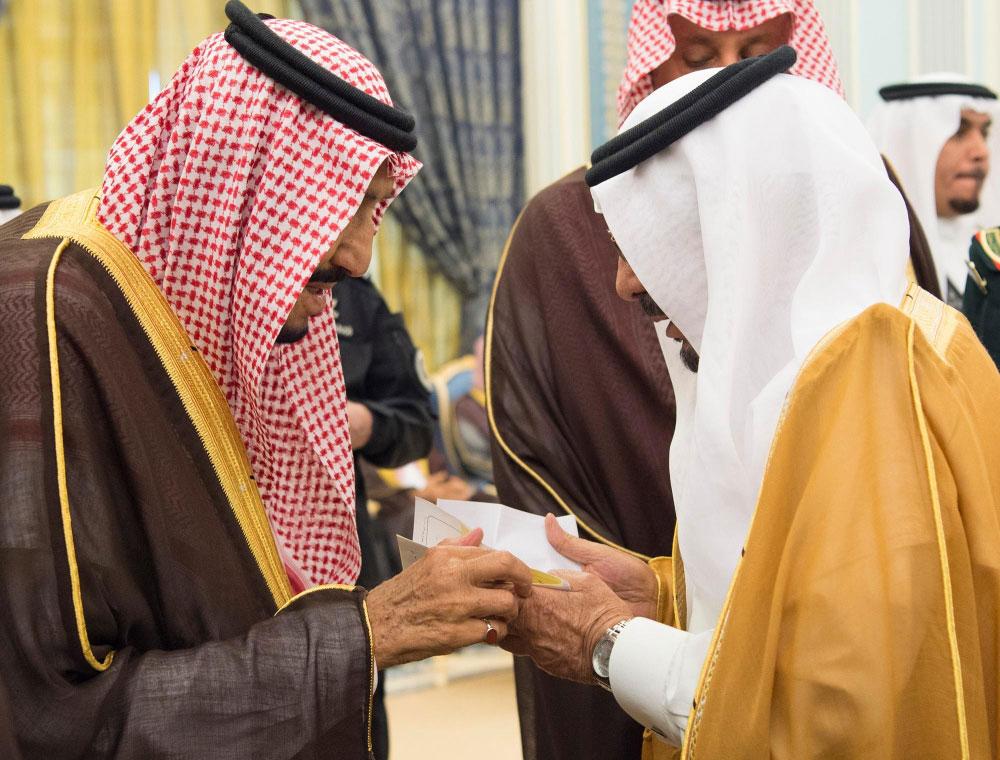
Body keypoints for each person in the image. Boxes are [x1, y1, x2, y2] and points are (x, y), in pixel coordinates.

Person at [0, 4, 531, 756]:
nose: (359, 260)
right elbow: (52, 718)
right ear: (240, 178)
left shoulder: (211, 305)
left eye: (376, 208)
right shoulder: (43, 312)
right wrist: (367, 634)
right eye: (345, 203)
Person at [506, 48, 1000, 758]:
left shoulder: (867, 382)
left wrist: (608, 643)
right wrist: (661, 595)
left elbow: (837, 716)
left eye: (648, 242)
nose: (624, 284)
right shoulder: (865, 347)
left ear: (748, 222)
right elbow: (807, 603)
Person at [487, 2, 845, 757]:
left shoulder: (873, 350)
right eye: (699, 56)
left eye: (756, 53)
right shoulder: (562, 227)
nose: (729, 81)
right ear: (649, 71)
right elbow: (532, 451)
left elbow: (847, 663)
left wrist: (630, 638)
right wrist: (662, 593)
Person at [334, 275, 435, 760]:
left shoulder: (355, 296)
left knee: (359, 720)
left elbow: (417, 423)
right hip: (228, 554)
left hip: (343, 556)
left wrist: (366, 424)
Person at [869, 74, 1000, 306]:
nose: (981, 151)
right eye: (959, 132)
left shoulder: (989, 249)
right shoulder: (875, 264)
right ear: (909, 146)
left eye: (984, 132)